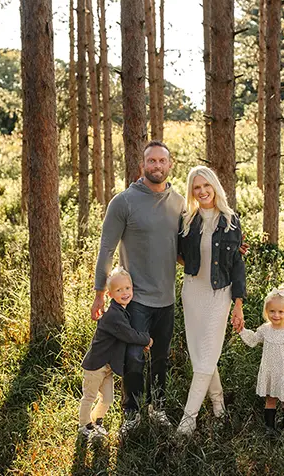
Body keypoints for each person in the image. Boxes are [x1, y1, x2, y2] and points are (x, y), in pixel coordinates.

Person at [91, 140, 185, 434]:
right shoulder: (124, 202)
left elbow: (186, 252)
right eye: (151, 161)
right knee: (133, 357)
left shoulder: (179, 203)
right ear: (142, 166)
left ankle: (157, 408)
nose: (157, 166)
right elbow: (106, 249)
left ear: (170, 165)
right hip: (133, 300)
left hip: (166, 298)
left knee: (160, 358)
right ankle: (131, 414)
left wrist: (231, 252)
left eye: (162, 161)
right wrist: (99, 295)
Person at [176, 166, 246, 435]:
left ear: (215, 186)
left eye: (206, 186)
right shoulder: (188, 220)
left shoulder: (230, 220)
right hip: (192, 292)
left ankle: (188, 419)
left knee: (207, 354)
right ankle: (218, 407)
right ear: (191, 192)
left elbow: (237, 265)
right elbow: (179, 253)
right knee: (201, 356)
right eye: (196, 187)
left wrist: (238, 303)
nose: (202, 191)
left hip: (220, 295)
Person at [79, 267, 153, 439]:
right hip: (96, 365)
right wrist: (146, 339)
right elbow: (128, 334)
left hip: (108, 366)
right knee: (89, 396)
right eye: (119, 290)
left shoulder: (122, 311)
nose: (125, 292)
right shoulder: (113, 315)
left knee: (107, 399)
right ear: (110, 294)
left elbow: (124, 337)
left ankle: (96, 421)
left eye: (127, 288)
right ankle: (84, 426)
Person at [238, 286, 284, 438]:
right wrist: (241, 330)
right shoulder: (265, 330)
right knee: (270, 399)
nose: (276, 315)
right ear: (266, 312)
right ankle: (270, 429)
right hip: (270, 372)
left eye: (281, 312)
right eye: (272, 311)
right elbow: (253, 340)